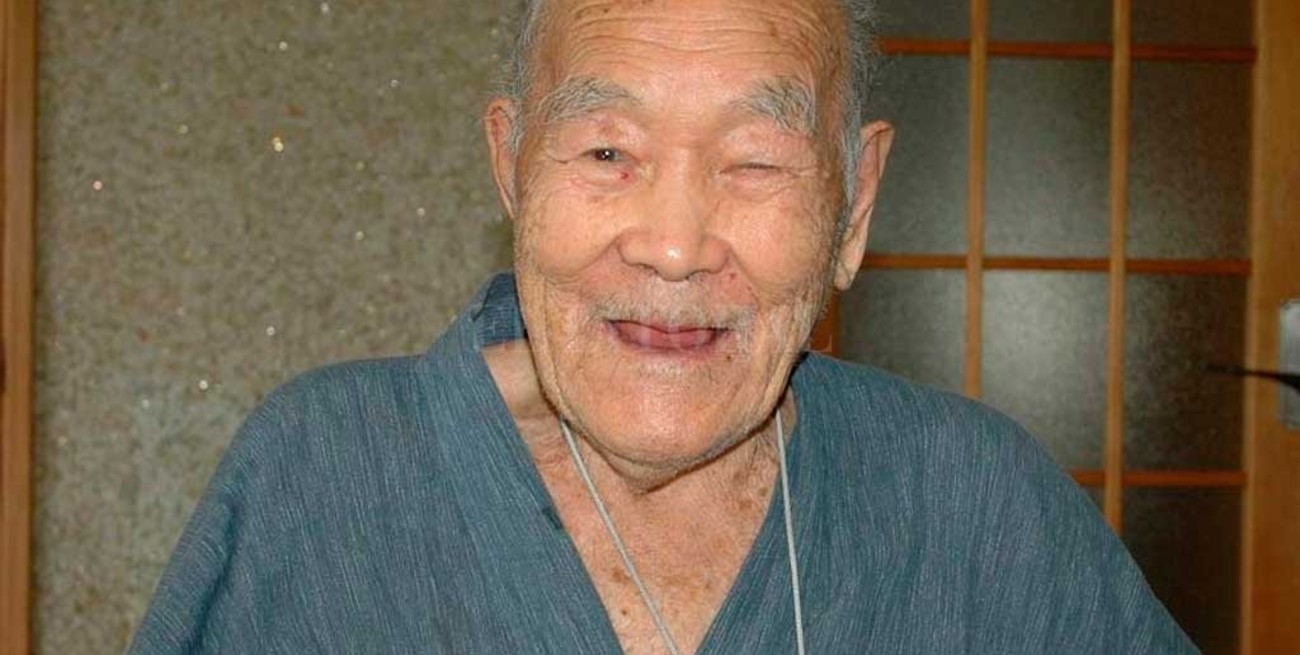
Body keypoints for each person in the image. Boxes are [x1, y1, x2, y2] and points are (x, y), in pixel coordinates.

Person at [128, 0, 1198, 653]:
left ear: (854, 204)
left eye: (755, 160)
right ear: (511, 167)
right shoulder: (322, 476)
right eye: (607, 153)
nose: (675, 246)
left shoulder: (975, 503)